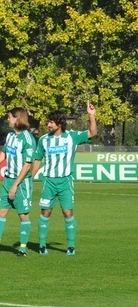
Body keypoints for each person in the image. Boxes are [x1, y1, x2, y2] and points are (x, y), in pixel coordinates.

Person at [32, 103, 97, 256]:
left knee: (68, 213)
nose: (48, 125)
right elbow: (37, 159)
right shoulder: (43, 140)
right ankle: (42, 246)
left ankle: (71, 247)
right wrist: (29, 179)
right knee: (45, 212)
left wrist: (91, 115)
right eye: (48, 122)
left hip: (65, 182)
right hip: (48, 182)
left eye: (51, 122)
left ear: (59, 124)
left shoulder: (72, 136)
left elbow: (93, 132)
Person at [0, 107, 36, 256]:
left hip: (21, 183)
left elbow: (27, 165)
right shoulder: (10, 135)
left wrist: (15, 185)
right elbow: (4, 153)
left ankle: (22, 249)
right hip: (7, 179)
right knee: (1, 212)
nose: (8, 119)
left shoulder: (28, 139)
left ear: (17, 118)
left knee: (23, 215)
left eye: (10, 117)